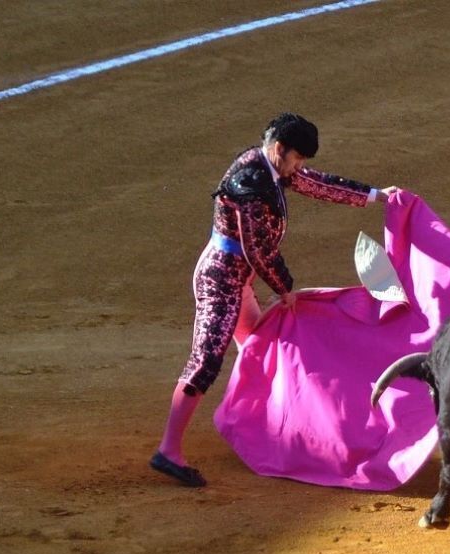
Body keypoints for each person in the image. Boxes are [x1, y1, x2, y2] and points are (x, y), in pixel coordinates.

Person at [150, 112, 398, 486]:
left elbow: (315, 183)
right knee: (206, 361)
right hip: (220, 281)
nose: (299, 167)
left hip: (239, 280)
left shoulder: (271, 167)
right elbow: (257, 248)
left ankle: (258, 430)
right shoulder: (250, 183)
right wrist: (285, 288)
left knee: (260, 350)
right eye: (297, 158)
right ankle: (168, 450)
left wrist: (377, 196)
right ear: (280, 149)